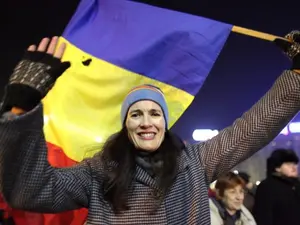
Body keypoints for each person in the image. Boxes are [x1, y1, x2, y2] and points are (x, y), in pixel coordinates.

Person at [0, 30, 300, 225]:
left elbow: (252, 129)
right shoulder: (98, 172)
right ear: (125, 125)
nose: (146, 122)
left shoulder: (194, 163)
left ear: (165, 123)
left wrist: (297, 76)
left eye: (155, 113)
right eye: (136, 115)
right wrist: (20, 110)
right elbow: (31, 192)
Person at [253, 149, 300, 225]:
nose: (294, 168)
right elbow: (264, 216)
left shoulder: (297, 185)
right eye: (288, 164)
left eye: (295, 164)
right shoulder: (267, 187)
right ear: (277, 168)